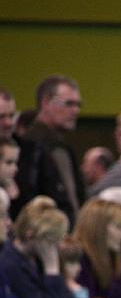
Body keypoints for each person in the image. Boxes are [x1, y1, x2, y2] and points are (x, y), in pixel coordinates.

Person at [14, 75, 85, 226]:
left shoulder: (60, 147)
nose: (76, 110)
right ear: (46, 102)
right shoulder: (30, 148)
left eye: (78, 105)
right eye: (69, 104)